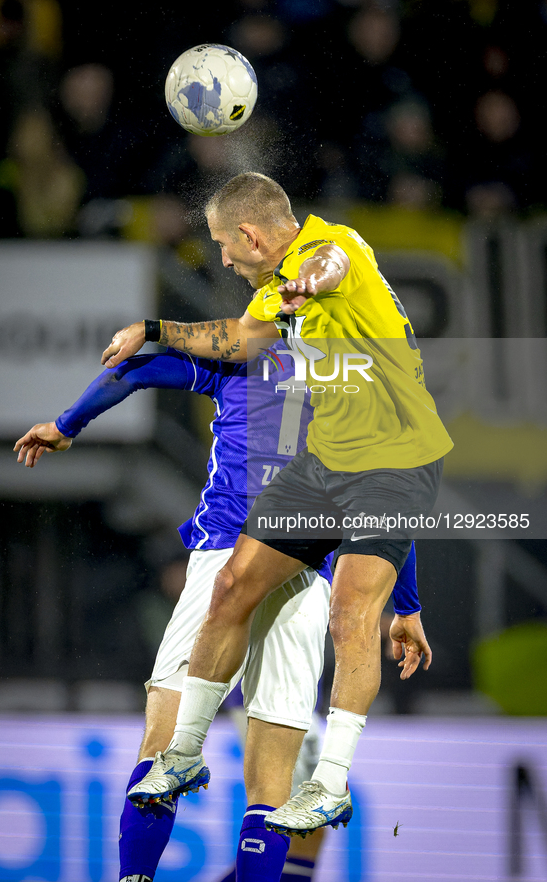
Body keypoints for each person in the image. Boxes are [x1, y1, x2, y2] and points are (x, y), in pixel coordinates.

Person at [97, 171, 448, 835]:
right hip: (328, 458)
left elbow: (331, 263)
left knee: (349, 611)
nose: (223, 260)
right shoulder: (267, 296)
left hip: (394, 458)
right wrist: (151, 328)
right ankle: (181, 754)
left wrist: (304, 285)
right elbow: (235, 339)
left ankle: (330, 783)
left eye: (227, 248)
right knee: (231, 584)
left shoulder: (333, 247)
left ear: (252, 235)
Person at [14, 346, 425, 881]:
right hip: (304, 576)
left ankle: (135, 875)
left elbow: (134, 370)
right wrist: (408, 605)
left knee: (163, 749)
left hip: (227, 558)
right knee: (278, 787)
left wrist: (66, 424)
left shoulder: (240, 350)